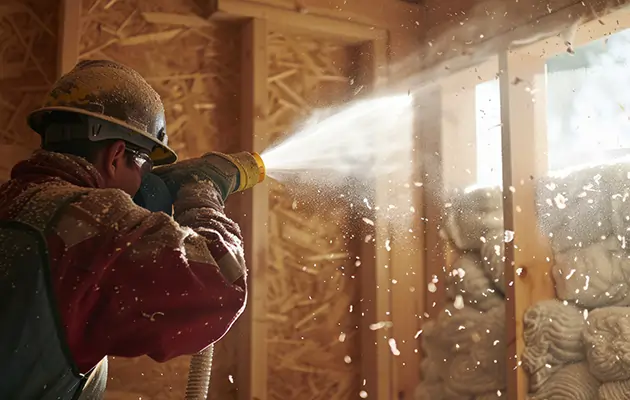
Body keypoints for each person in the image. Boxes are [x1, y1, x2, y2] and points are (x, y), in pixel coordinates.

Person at [0, 60, 250, 399]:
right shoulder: (99, 220)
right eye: (145, 165)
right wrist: (202, 194)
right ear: (117, 155)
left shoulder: (14, 202)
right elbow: (221, 284)